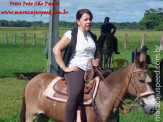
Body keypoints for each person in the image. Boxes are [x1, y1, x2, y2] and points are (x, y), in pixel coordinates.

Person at [53, 9, 101, 122]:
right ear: (78, 21)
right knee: (75, 93)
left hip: (92, 69)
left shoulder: (92, 36)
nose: (89, 21)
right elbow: (56, 49)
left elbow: (98, 52)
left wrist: (97, 60)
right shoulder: (71, 34)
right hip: (77, 68)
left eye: (90, 19)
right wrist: (65, 67)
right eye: (86, 19)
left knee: (110, 84)